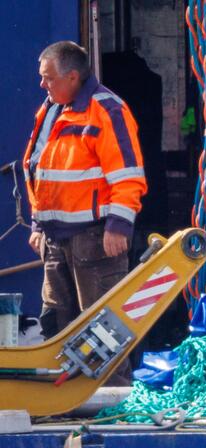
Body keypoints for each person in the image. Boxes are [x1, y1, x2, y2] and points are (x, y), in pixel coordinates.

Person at [23, 41, 147, 384]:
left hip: (94, 239)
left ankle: (113, 404)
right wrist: (38, 222)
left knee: (102, 327)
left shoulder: (106, 110)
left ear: (73, 77)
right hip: (55, 239)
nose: (42, 85)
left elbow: (128, 174)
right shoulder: (51, 109)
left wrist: (119, 226)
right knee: (58, 323)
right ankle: (68, 397)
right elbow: (39, 170)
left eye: (48, 78)